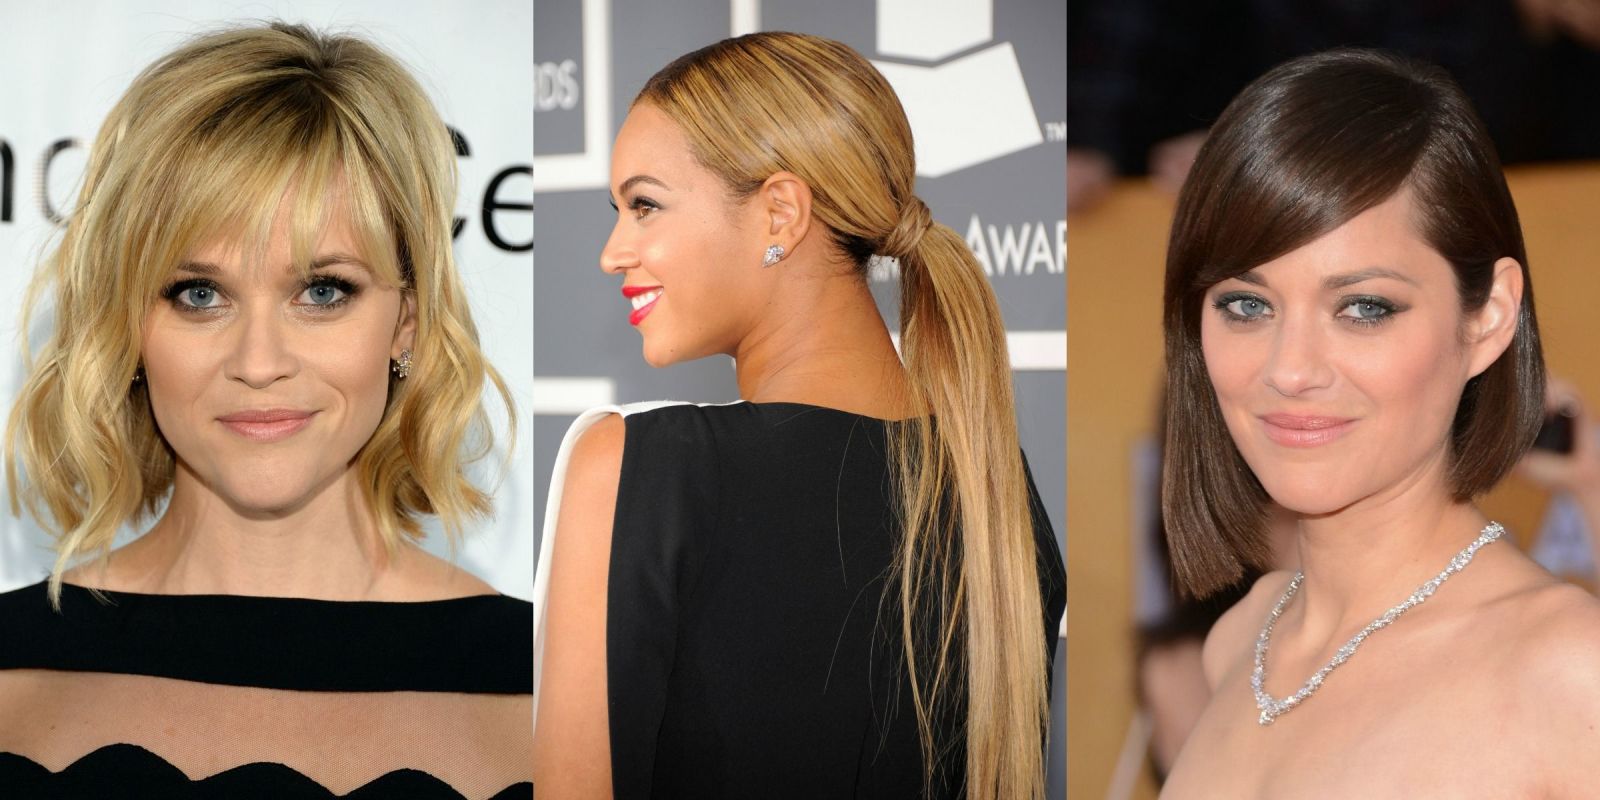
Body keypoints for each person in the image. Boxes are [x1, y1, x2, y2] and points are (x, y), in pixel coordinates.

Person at [531, 31, 1066, 800]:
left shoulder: (645, 469)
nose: (613, 252)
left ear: (780, 214)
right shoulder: (995, 487)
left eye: (645, 205)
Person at [0, 24, 530, 797]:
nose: (258, 362)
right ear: (129, 326)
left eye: (322, 291)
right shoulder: (12, 671)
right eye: (199, 294)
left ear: (406, 323)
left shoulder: (555, 691)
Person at [1157, 49, 1600, 795]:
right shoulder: (1242, 640)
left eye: (1364, 308)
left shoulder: (1569, 670)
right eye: (1246, 304)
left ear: (1489, 318)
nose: (1290, 369)